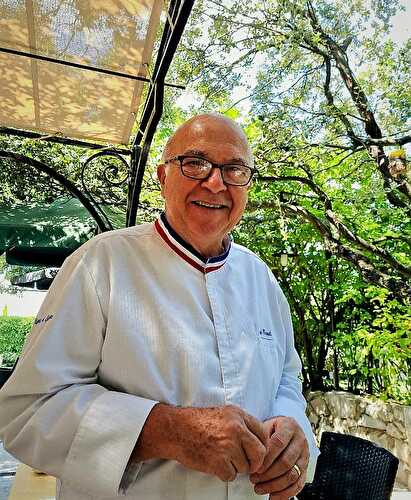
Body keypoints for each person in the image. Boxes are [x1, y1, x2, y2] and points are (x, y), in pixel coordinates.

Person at [0, 114, 319, 500]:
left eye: (234, 168)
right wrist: (166, 430)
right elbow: (28, 412)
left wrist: (293, 428)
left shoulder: (261, 278)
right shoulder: (101, 263)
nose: (215, 182)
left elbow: (287, 379)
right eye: (196, 163)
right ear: (162, 176)